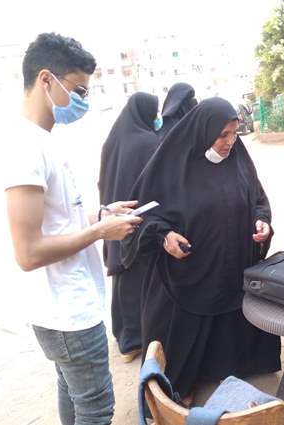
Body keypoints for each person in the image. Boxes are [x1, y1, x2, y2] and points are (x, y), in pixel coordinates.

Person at [3, 33, 142, 425]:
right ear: (46, 80)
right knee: (95, 409)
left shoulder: (43, 140)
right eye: (79, 90)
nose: (83, 100)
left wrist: (100, 216)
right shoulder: (26, 148)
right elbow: (28, 252)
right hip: (66, 312)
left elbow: (58, 218)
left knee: (73, 394)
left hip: (67, 306)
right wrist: (99, 233)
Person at [121, 97, 281, 401]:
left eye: (234, 133)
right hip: (189, 272)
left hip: (232, 266)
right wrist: (164, 235)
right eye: (222, 135)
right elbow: (143, 215)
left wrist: (261, 221)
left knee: (229, 325)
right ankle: (180, 384)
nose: (230, 142)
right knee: (181, 339)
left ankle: (229, 368)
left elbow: (258, 199)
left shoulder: (238, 159)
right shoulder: (172, 165)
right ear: (202, 132)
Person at [98, 84, 196, 363]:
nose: (157, 118)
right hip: (137, 221)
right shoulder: (148, 142)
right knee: (137, 283)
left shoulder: (113, 139)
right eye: (153, 114)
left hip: (112, 216)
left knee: (122, 282)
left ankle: (124, 340)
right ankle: (136, 340)